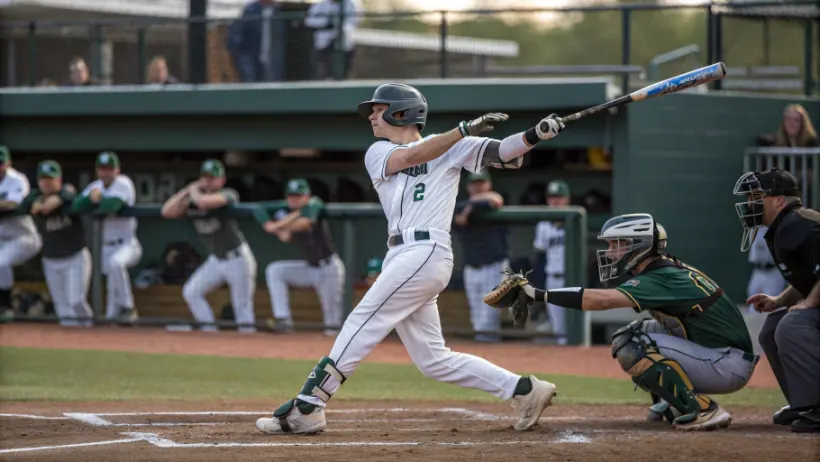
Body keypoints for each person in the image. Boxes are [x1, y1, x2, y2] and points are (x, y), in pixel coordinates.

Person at [255, 82, 565, 435]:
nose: (371, 115)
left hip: (426, 250)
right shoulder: (378, 152)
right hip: (402, 255)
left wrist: (536, 134)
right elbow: (411, 156)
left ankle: (310, 405)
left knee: (364, 317)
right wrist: (461, 131)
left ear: (400, 112)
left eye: (378, 108)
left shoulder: (456, 146)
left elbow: (505, 151)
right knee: (433, 360)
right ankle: (524, 389)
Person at [485, 213, 757, 432]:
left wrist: (539, 294)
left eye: (618, 244)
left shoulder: (662, 276)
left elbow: (602, 300)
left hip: (726, 364)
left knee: (634, 343)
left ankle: (702, 409)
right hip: (717, 353)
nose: (611, 251)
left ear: (638, 245)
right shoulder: (664, 268)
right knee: (635, 332)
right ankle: (674, 401)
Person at [734, 168, 820, 433]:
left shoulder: (800, 223)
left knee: (792, 325)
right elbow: (808, 277)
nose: (751, 203)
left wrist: (810, 303)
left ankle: (815, 409)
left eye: (757, 196)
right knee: (772, 328)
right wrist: (779, 300)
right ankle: (802, 403)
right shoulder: (784, 225)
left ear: (779, 199)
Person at [161, 159, 257, 333]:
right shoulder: (192, 198)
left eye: (213, 178)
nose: (209, 181)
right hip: (216, 260)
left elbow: (205, 203)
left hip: (237, 259)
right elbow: (166, 211)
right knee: (191, 292)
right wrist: (187, 191)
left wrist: (194, 192)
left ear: (221, 180)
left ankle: (250, 348)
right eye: (206, 177)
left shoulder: (229, 193)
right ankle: (210, 332)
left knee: (242, 310)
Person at [259, 179, 345, 336]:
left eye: (298, 196)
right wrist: (270, 225)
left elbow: (304, 224)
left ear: (307, 196)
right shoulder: (287, 210)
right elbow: (259, 209)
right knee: (275, 270)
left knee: (332, 327)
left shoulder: (314, 203)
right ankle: (283, 319)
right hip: (310, 269)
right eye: (291, 196)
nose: (294, 199)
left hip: (329, 269)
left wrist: (277, 226)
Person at [72, 152, 142, 323]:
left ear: (117, 170)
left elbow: (112, 206)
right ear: (97, 171)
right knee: (112, 298)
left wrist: (97, 199)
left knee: (116, 264)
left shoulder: (123, 183)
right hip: (104, 247)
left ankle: (128, 307)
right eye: (102, 169)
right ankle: (113, 329)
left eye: (109, 169)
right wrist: (90, 198)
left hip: (127, 244)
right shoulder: (94, 186)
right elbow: (76, 206)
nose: (106, 173)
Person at [23, 161, 91, 327]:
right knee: (62, 309)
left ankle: (89, 332)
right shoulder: (34, 197)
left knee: (76, 302)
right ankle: (71, 344)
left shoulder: (68, 195)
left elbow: (73, 198)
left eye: (51, 179)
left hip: (75, 256)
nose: (47, 182)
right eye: (44, 179)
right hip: (51, 259)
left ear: (58, 180)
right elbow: (29, 205)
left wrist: (58, 199)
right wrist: (41, 204)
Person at [452, 171, 508, 343]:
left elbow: (496, 200)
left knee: (488, 319)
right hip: (472, 267)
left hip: (495, 266)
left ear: (488, 184)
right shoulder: (460, 205)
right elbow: (458, 214)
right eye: (474, 183)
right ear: (468, 186)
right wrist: (471, 206)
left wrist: (472, 206)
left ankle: (489, 354)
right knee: (477, 318)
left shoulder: (490, 201)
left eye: (481, 183)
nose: (478, 186)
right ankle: (487, 355)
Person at [0, 146, 43, 312]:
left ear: (8, 163)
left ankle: (5, 305)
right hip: (3, 238)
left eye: (1, 163)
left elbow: (13, 204)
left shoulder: (17, 179)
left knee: (1, 261)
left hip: (24, 237)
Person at [531, 179, 570, 345]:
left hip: (572, 278)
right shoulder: (543, 225)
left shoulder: (575, 220)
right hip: (552, 278)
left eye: (559, 197)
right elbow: (540, 256)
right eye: (552, 197)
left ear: (567, 200)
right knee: (558, 329)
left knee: (574, 325)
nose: (556, 201)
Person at [227, 0, 286, 82]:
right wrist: (242, 60)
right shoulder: (250, 11)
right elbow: (236, 37)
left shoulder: (278, 11)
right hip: (252, 61)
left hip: (272, 62)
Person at [304, 0, 362, 80]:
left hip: (344, 47)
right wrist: (327, 24)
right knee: (321, 75)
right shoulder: (320, 5)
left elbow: (351, 23)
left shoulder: (351, 3)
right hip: (322, 46)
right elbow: (309, 22)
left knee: (343, 76)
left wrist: (334, 26)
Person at [746, 226, 786, 313]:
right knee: (752, 305)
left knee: (771, 305)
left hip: (774, 271)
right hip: (758, 270)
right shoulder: (754, 226)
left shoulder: (778, 225)